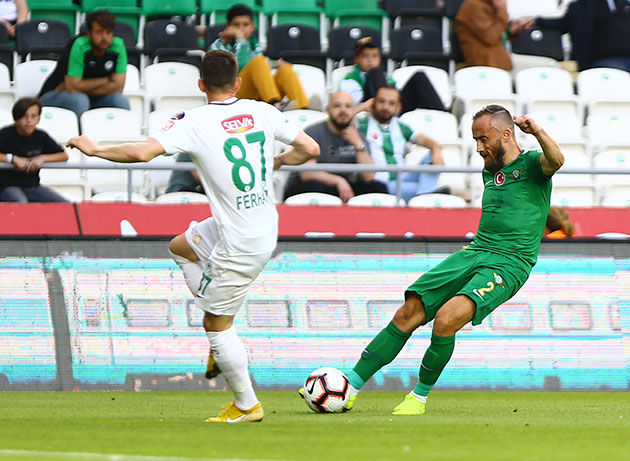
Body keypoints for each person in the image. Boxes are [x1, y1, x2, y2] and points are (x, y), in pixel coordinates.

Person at [68, 50, 320, 423]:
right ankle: (219, 320)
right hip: (260, 226)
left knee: (215, 326)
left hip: (239, 242)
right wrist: (278, 161)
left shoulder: (192, 121)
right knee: (180, 247)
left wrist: (95, 149)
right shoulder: (261, 111)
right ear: (238, 83)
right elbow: (311, 149)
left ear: (201, 84)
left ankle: (247, 405)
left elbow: (142, 153)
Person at [332, 104, 564, 415]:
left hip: (509, 263)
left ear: (507, 134)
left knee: (446, 319)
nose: (479, 148)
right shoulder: (491, 169)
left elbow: (556, 160)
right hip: (476, 252)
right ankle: (350, 385)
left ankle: (417, 398)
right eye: (475, 140)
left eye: (483, 139)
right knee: (409, 310)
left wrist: (537, 131)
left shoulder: (534, 165)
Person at [283, 91, 388, 202]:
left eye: (348, 106)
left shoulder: (358, 136)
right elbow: (308, 173)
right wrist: (339, 181)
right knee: (315, 186)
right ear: (328, 110)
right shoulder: (313, 132)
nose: (343, 110)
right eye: (337, 106)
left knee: (378, 188)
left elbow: (369, 176)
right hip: (306, 187)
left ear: (353, 111)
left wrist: (358, 144)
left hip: (341, 189)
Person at [208, 3, 309, 110]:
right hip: (233, 96)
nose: (241, 29)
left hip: (256, 96)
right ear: (228, 26)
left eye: (245, 25)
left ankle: (303, 108)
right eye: (236, 25)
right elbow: (241, 67)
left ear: (252, 27)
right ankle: (275, 105)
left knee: (285, 70)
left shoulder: (253, 43)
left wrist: (273, 63)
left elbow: (259, 68)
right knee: (259, 61)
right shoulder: (218, 47)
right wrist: (240, 39)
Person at [358, 85, 446, 201]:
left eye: (391, 103)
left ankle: (425, 194)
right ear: (373, 103)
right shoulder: (362, 124)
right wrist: (362, 107)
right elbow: (341, 119)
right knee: (423, 189)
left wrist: (436, 149)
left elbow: (425, 140)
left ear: (398, 107)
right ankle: (428, 194)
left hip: (404, 178)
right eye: (381, 101)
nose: (385, 107)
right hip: (380, 184)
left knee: (431, 156)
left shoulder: (401, 126)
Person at [39, 10, 130, 119]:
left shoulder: (118, 46)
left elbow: (118, 88)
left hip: (91, 98)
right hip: (54, 95)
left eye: (108, 32)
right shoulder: (79, 44)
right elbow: (72, 87)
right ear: (89, 33)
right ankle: (76, 130)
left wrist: (81, 85)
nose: (104, 37)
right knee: (80, 100)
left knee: (120, 101)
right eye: (99, 32)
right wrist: (107, 80)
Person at [513, 0, 630, 72]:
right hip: (607, 61)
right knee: (616, 76)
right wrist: (536, 21)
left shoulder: (625, 5)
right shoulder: (584, 6)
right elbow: (563, 23)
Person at [340, 37, 446, 115]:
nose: (370, 60)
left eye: (374, 56)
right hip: (370, 108)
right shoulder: (350, 80)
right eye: (365, 56)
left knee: (419, 77)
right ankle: (388, 105)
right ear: (356, 59)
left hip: (393, 106)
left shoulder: (385, 76)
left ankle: (444, 116)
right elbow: (353, 103)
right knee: (374, 72)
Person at [455, 0, 558, 74]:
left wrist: (512, 30)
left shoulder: (487, 5)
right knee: (549, 65)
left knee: (550, 65)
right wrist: (502, 10)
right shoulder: (474, 6)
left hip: (501, 59)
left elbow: (497, 35)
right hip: (489, 63)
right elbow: (490, 38)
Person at [0, 97, 69, 203]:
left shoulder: (41, 136)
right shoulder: (5, 134)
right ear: (16, 118)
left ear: (38, 119)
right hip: (8, 186)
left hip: (33, 186)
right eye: (24, 116)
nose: (29, 121)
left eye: (33, 116)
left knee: (65, 205)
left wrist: (43, 158)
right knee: (21, 204)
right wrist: (12, 159)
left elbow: (63, 155)